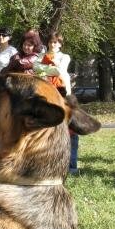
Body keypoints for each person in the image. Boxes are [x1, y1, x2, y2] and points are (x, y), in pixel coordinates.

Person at [37, 31, 80, 173]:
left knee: (68, 131)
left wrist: (50, 66)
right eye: (50, 42)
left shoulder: (65, 57)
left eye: (55, 42)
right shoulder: (41, 56)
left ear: (60, 44)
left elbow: (60, 71)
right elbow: (35, 68)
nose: (52, 44)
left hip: (63, 95)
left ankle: (71, 165)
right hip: (46, 96)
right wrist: (51, 68)